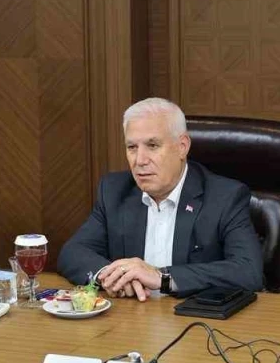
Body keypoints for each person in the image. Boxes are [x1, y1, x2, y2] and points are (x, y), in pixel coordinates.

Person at [58, 97, 264, 300]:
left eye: (153, 145)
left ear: (182, 146)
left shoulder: (225, 197)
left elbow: (248, 271)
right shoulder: (114, 191)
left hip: (193, 317)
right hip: (131, 315)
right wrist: (112, 276)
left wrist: (163, 278)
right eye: (132, 147)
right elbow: (73, 252)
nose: (140, 160)